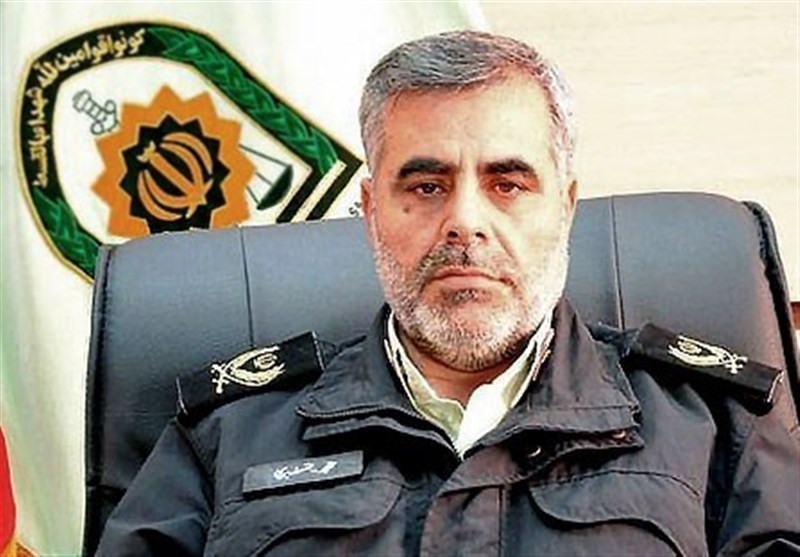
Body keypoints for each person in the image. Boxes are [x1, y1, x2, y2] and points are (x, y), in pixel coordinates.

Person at [97, 30, 800, 555]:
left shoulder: (717, 424)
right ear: (370, 211)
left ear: (565, 207)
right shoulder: (227, 433)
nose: (465, 220)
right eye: (427, 185)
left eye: (508, 183)